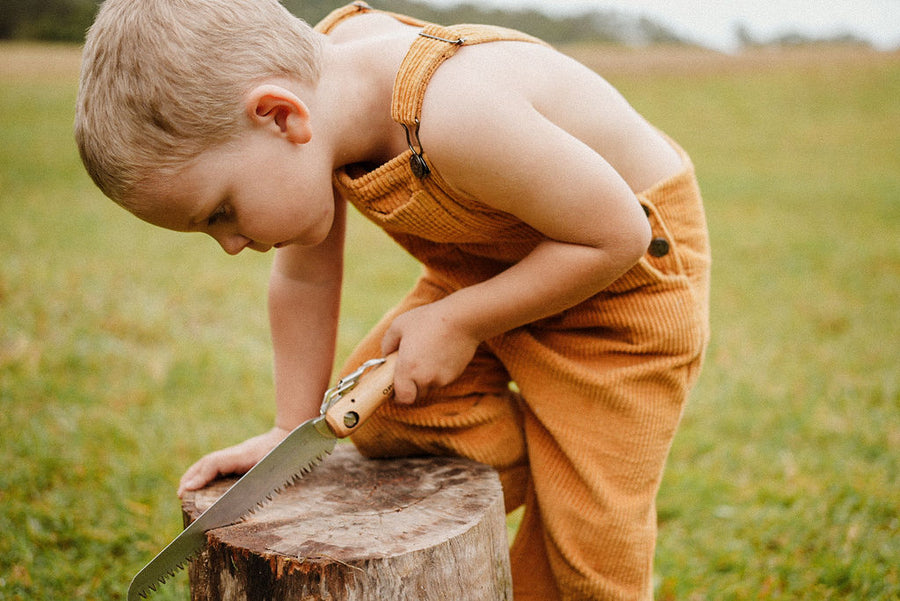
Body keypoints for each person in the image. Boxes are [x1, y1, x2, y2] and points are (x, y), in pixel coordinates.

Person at [75, 1, 711, 599]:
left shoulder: (454, 112)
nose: (231, 244)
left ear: (279, 116)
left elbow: (618, 234)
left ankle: (577, 472)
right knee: (378, 412)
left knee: (589, 556)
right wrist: (285, 426)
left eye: (221, 211)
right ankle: (556, 456)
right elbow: (305, 280)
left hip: (622, 292)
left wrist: (460, 319)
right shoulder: (320, 96)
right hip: (492, 270)